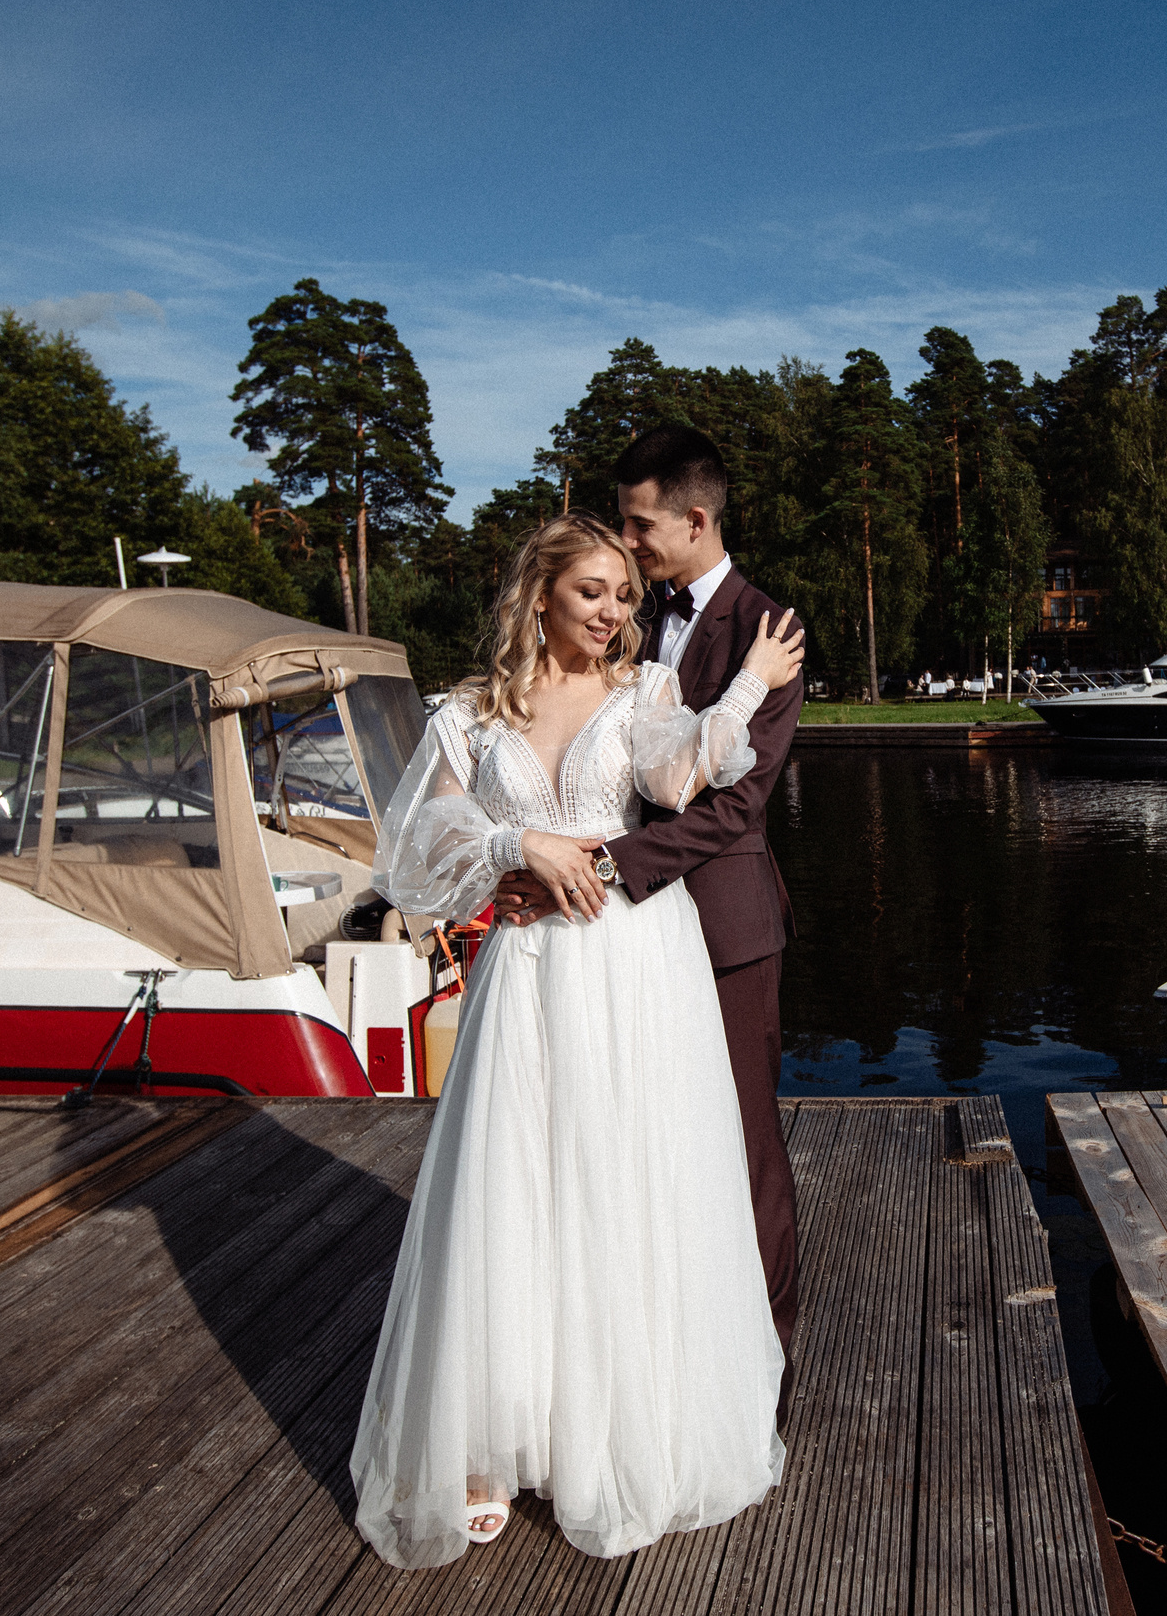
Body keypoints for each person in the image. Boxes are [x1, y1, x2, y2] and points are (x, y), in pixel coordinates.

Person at [349, 512, 807, 1566]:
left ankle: (616, 1428)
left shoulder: (643, 693)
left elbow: (678, 782)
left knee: (621, 1177)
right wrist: (518, 840)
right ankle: (493, 1434)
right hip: (528, 970)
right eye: (591, 592)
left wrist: (743, 688)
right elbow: (418, 844)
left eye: (622, 597)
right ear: (539, 593)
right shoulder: (467, 712)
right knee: (517, 1183)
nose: (611, 613)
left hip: (635, 961)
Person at [495, 426, 807, 1402]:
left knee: (744, 1144)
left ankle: (765, 1359)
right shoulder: (628, 618)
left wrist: (602, 864)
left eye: (639, 526)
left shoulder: (769, 629)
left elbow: (735, 807)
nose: (625, 547)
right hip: (620, 944)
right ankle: (655, 1346)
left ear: (695, 519)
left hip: (717, 930)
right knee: (645, 1139)